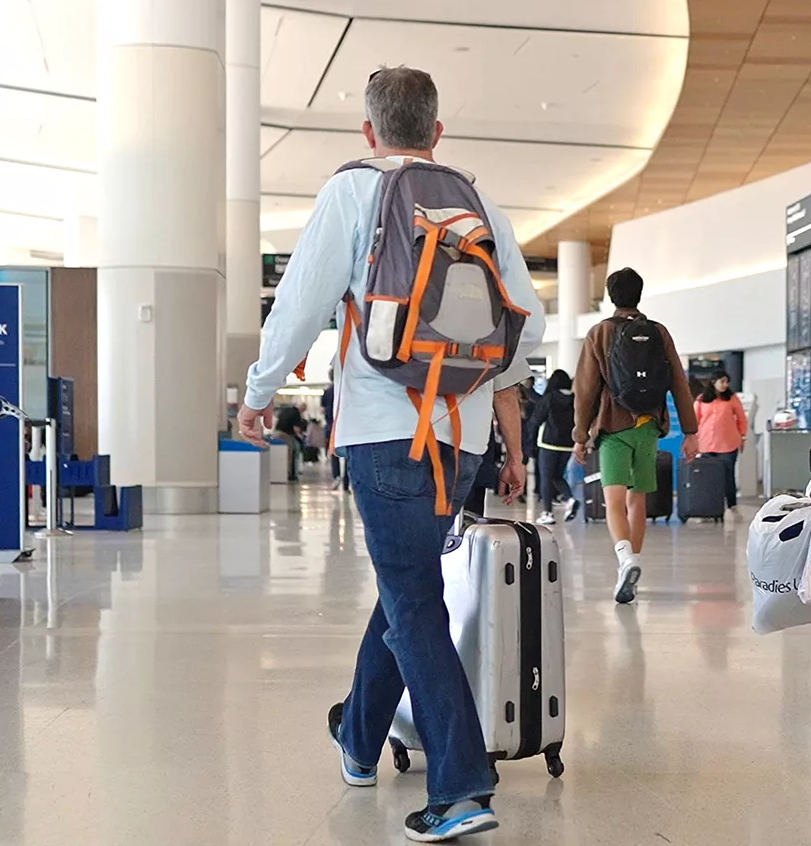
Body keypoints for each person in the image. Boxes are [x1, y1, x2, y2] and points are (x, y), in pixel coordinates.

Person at [237, 65, 543, 844]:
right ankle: (359, 738)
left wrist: (260, 391)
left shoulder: (352, 191)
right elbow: (524, 326)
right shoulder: (474, 197)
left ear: (369, 132)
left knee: (411, 599)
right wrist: (488, 404)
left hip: (382, 429)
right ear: (436, 132)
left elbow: (300, 300)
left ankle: (462, 786)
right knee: (404, 587)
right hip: (461, 437)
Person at [573, 267, 700, 603]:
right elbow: (679, 384)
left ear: (610, 294)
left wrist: (580, 434)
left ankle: (625, 558)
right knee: (637, 499)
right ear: (639, 294)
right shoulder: (658, 332)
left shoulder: (599, 333)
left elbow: (585, 390)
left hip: (613, 428)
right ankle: (632, 567)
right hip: (648, 426)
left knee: (613, 499)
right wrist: (690, 431)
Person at [695, 371, 750, 513]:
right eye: (722, 381)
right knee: (708, 477)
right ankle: (709, 505)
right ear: (714, 382)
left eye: (727, 382)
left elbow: (742, 419)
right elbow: (695, 420)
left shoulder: (732, 399)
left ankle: (732, 505)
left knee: (727, 475)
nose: (725, 385)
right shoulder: (701, 400)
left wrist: (743, 436)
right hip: (706, 444)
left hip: (728, 444)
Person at [534, 369, 578, 524]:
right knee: (557, 476)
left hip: (548, 443)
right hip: (568, 444)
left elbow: (537, 419)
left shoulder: (550, 398)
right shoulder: (575, 400)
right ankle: (569, 498)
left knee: (546, 478)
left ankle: (547, 513)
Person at [274, 399, 310, 482]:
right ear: (302, 408)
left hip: (277, 433)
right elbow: (296, 428)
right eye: (304, 409)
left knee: (281, 455)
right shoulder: (296, 413)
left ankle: (283, 473)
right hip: (286, 435)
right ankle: (291, 474)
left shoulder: (287, 410)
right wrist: (301, 436)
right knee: (294, 451)